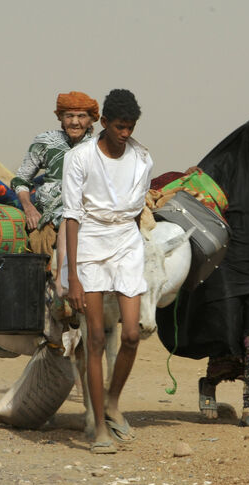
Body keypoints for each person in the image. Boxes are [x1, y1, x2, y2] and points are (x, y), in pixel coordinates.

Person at [155, 118, 249, 427]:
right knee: (226, 335)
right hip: (225, 267)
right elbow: (194, 197)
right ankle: (209, 385)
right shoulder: (224, 167)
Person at [62, 89, 153, 454]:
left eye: (130, 127)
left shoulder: (144, 159)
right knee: (96, 339)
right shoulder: (80, 158)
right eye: (119, 126)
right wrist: (73, 276)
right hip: (90, 242)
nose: (125, 133)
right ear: (104, 123)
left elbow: (135, 211)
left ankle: (113, 401)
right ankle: (99, 427)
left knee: (132, 333)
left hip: (126, 241)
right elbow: (71, 216)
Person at [11, 91, 99, 294]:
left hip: (85, 212)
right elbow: (21, 180)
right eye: (69, 116)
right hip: (47, 214)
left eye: (81, 116)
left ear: (92, 119)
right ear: (60, 117)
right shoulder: (45, 142)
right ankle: (58, 285)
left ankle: (64, 281)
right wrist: (29, 207)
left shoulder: (97, 148)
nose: (75, 122)